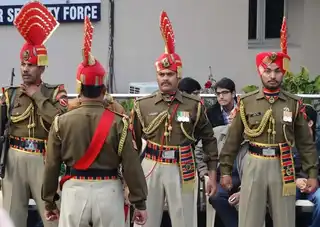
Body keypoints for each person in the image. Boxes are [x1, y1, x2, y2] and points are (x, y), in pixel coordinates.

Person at [41, 16, 148, 227]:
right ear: (103, 89)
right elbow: (131, 164)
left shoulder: (61, 122)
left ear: (79, 88)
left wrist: (49, 201)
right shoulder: (119, 122)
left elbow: (52, 164)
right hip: (109, 192)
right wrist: (140, 202)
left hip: (74, 192)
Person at [219, 17, 318, 227]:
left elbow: (305, 143)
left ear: (283, 72)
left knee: (284, 219)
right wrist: (226, 170)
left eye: (277, 71)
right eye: (267, 71)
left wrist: (311, 173)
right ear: (260, 72)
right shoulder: (246, 102)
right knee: (249, 218)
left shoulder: (293, 103)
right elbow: (232, 140)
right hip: (254, 162)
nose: (272, 75)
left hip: (284, 164)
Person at [131, 11, 218, 227]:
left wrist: (213, 173)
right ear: (157, 76)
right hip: (151, 164)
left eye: (170, 74)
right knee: (146, 219)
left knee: (184, 219)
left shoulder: (193, 104)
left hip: (183, 164)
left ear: (178, 75)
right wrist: (129, 178)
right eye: (161, 74)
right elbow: (132, 143)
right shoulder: (143, 105)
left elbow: (208, 139)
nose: (165, 78)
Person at [1, 2, 67, 227]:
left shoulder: (55, 92)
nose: (25, 69)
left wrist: (38, 96)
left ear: (42, 67)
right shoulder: (9, 95)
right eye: (22, 64)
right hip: (14, 159)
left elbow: (60, 121)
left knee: (52, 218)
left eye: (30, 64)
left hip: (43, 158)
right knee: (12, 216)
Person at [295, 104, 320, 227]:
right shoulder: (289, 142)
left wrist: (313, 181)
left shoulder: (318, 143)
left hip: (317, 185)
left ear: (310, 123)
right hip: (292, 184)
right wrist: (295, 181)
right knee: (279, 198)